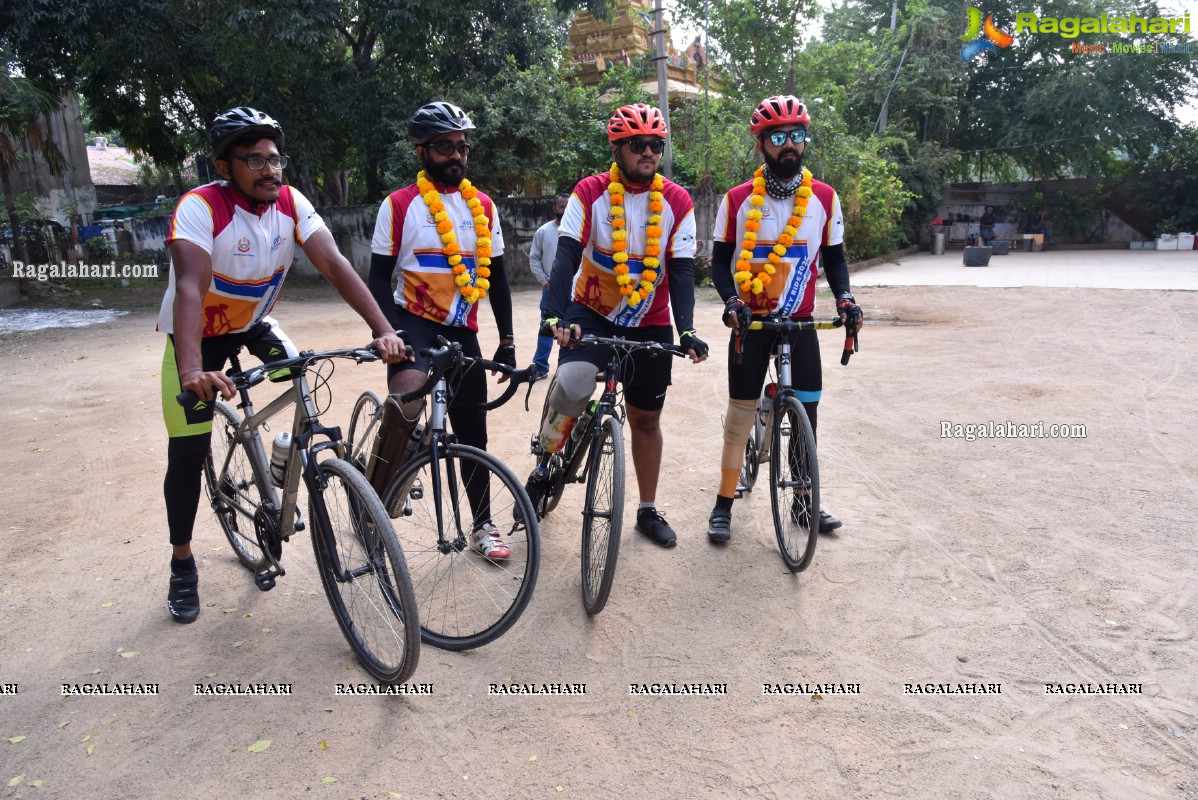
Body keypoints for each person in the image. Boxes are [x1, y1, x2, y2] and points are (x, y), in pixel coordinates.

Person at [161, 107, 405, 623]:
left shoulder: (291, 203)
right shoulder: (200, 207)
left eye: (275, 159)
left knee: (301, 381)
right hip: (200, 338)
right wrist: (190, 371)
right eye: (254, 160)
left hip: (253, 325)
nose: (270, 170)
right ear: (225, 167)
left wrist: (382, 328)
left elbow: (335, 265)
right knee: (187, 452)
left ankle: (283, 464)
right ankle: (182, 565)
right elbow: (189, 286)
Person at [522, 103, 708, 549]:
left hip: (652, 320)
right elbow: (566, 256)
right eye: (638, 144)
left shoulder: (678, 201)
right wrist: (556, 315)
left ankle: (646, 510)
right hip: (592, 311)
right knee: (571, 384)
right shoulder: (589, 192)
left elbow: (681, 272)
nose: (649, 152)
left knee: (647, 420)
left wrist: (686, 331)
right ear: (617, 148)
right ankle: (545, 464)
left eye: (656, 145)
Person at [704, 95, 862, 544]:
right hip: (750, 326)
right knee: (740, 414)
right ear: (762, 145)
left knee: (807, 416)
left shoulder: (825, 199)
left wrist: (846, 297)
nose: (789, 144)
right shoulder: (736, 201)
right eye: (778, 137)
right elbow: (718, 264)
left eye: (796, 135)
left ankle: (802, 501)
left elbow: (834, 258)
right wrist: (732, 300)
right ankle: (723, 503)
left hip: (800, 324)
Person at [365, 101, 517, 560]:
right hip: (412, 322)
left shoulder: (483, 206)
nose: (456, 155)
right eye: (445, 147)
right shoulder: (398, 205)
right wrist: (387, 333)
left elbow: (500, 280)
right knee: (408, 400)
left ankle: (483, 525)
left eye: (461, 147)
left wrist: (507, 341)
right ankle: (370, 506)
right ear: (422, 152)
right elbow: (377, 278)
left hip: (461, 329)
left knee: (474, 431)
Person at [529, 193, 571, 378]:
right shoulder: (544, 232)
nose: (565, 210)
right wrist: (545, 282)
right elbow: (534, 259)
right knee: (547, 327)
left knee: (575, 328)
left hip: (574, 290)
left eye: (568, 206)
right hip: (551, 290)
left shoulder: (579, 231)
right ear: (554, 208)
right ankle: (540, 366)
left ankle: (570, 368)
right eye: (561, 206)